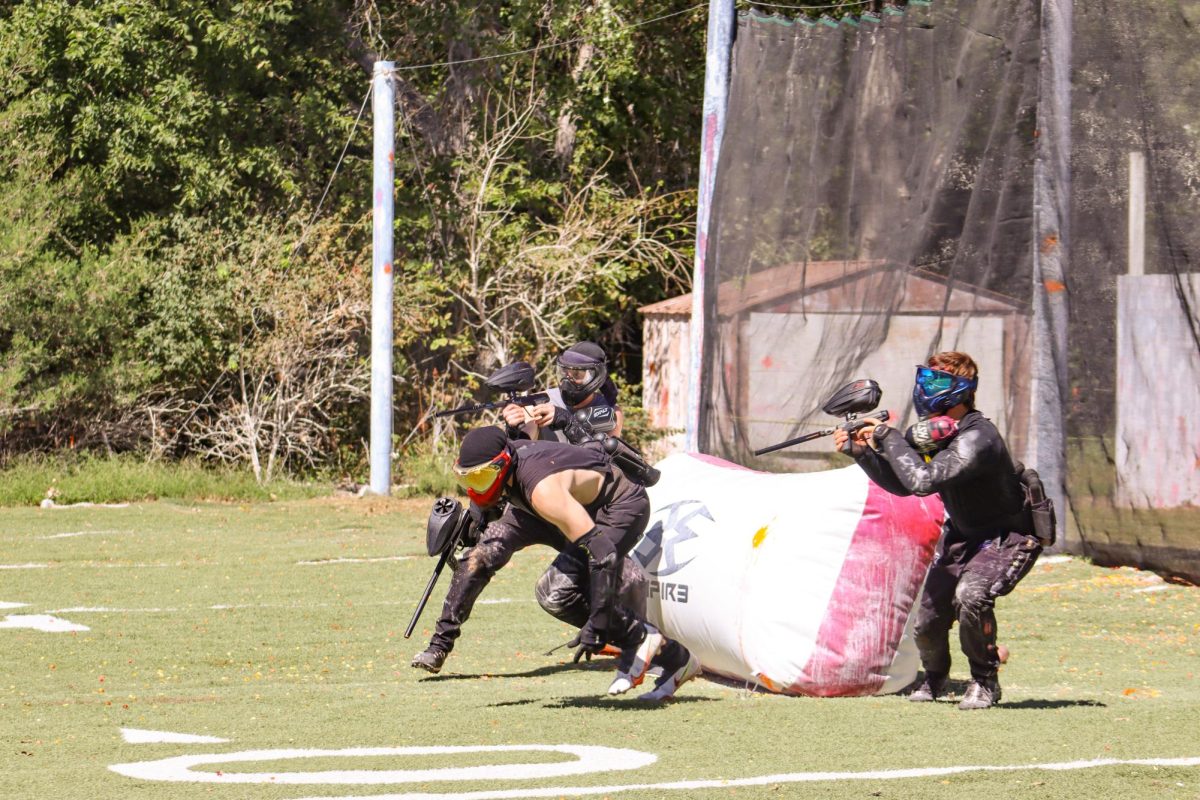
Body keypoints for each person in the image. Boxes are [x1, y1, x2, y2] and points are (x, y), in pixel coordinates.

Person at [832, 351, 1040, 710]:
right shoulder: (937, 431)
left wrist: (887, 436)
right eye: (925, 379)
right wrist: (862, 452)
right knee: (928, 620)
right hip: (962, 535)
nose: (927, 388)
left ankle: (985, 682)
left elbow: (924, 480)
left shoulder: (979, 437)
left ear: (962, 390)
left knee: (971, 597)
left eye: (938, 381)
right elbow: (904, 484)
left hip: (1007, 538)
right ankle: (936, 676)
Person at [409, 343, 627, 673]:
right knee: (480, 557)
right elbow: (525, 440)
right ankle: (439, 644)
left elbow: (605, 445)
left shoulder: (607, 409)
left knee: (578, 584)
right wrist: (516, 424)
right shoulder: (542, 398)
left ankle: (627, 637)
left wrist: (564, 418)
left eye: (578, 374)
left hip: (579, 510)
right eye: (565, 372)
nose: (569, 380)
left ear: (595, 376)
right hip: (530, 505)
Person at [444, 424, 699, 700]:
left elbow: (604, 556)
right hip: (592, 509)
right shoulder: (512, 465)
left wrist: (599, 622)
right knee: (553, 593)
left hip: (623, 506)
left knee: (558, 592)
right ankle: (675, 658)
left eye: (482, 478)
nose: (476, 487)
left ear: (503, 465)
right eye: (469, 481)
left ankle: (643, 639)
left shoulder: (543, 491)